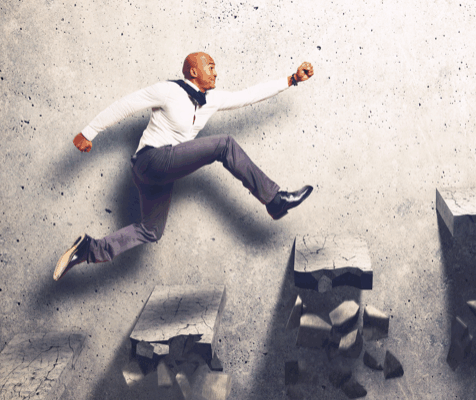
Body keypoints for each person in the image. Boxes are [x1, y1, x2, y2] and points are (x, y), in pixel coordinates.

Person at [53, 52, 314, 281]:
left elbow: (248, 96)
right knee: (224, 144)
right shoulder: (168, 91)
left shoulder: (212, 99)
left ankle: (88, 250)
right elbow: (126, 105)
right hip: (150, 160)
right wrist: (88, 132)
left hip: (161, 175)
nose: (216, 72)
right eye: (210, 66)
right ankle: (275, 199)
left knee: (151, 230)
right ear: (193, 71)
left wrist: (290, 79)